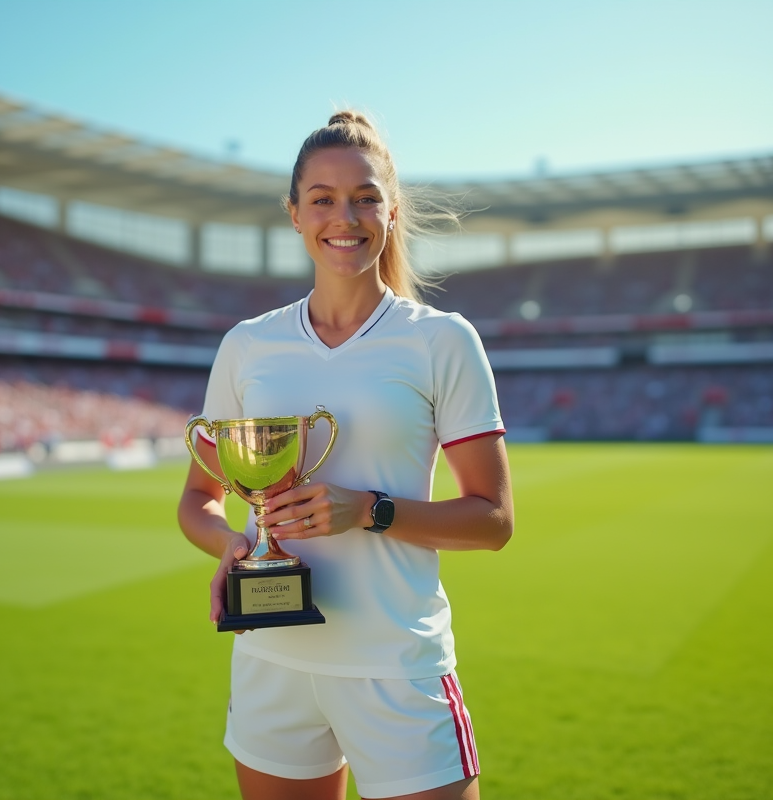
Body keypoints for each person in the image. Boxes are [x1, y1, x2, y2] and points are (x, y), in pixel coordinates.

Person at [177, 111, 514, 800]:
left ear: (390, 209)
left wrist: (368, 510)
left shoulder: (441, 341)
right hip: (270, 657)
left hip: (396, 663)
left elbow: (493, 520)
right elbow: (198, 501)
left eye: (365, 196)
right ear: (295, 214)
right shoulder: (248, 345)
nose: (345, 216)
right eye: (323, 199)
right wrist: (232, 549)